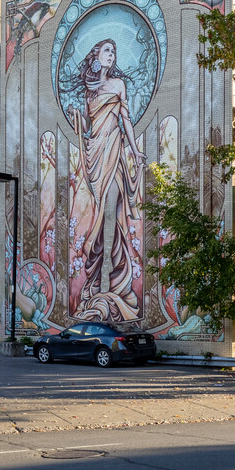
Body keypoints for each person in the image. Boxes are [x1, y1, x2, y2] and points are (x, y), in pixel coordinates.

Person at [66, 38, 147, 322]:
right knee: (96, 223)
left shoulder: (118, 86)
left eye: (114, 51)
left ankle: (113, 281)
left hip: (114, 152)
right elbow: (89, 128)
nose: (112, 55)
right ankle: (95, 285)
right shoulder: (90, 91)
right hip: (94, 157)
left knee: (111, 213)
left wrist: (136, 151)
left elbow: (125, 121)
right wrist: (79, 119)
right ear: (96, 56)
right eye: (107, 50)